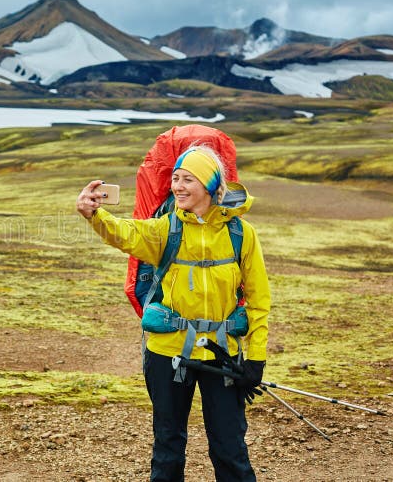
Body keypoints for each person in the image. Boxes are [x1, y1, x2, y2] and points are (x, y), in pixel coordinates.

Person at [76, 144, 270, 482]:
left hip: (222, 356)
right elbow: (127, 234)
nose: (178, 186)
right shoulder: (166, 228)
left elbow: (258, 300)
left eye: (188, 179)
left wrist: (257, 359)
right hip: (167, 354)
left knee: (230, 449)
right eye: (176, 178)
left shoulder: (242, 234)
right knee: (168, 447)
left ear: (211, 186)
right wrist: (95, 215)